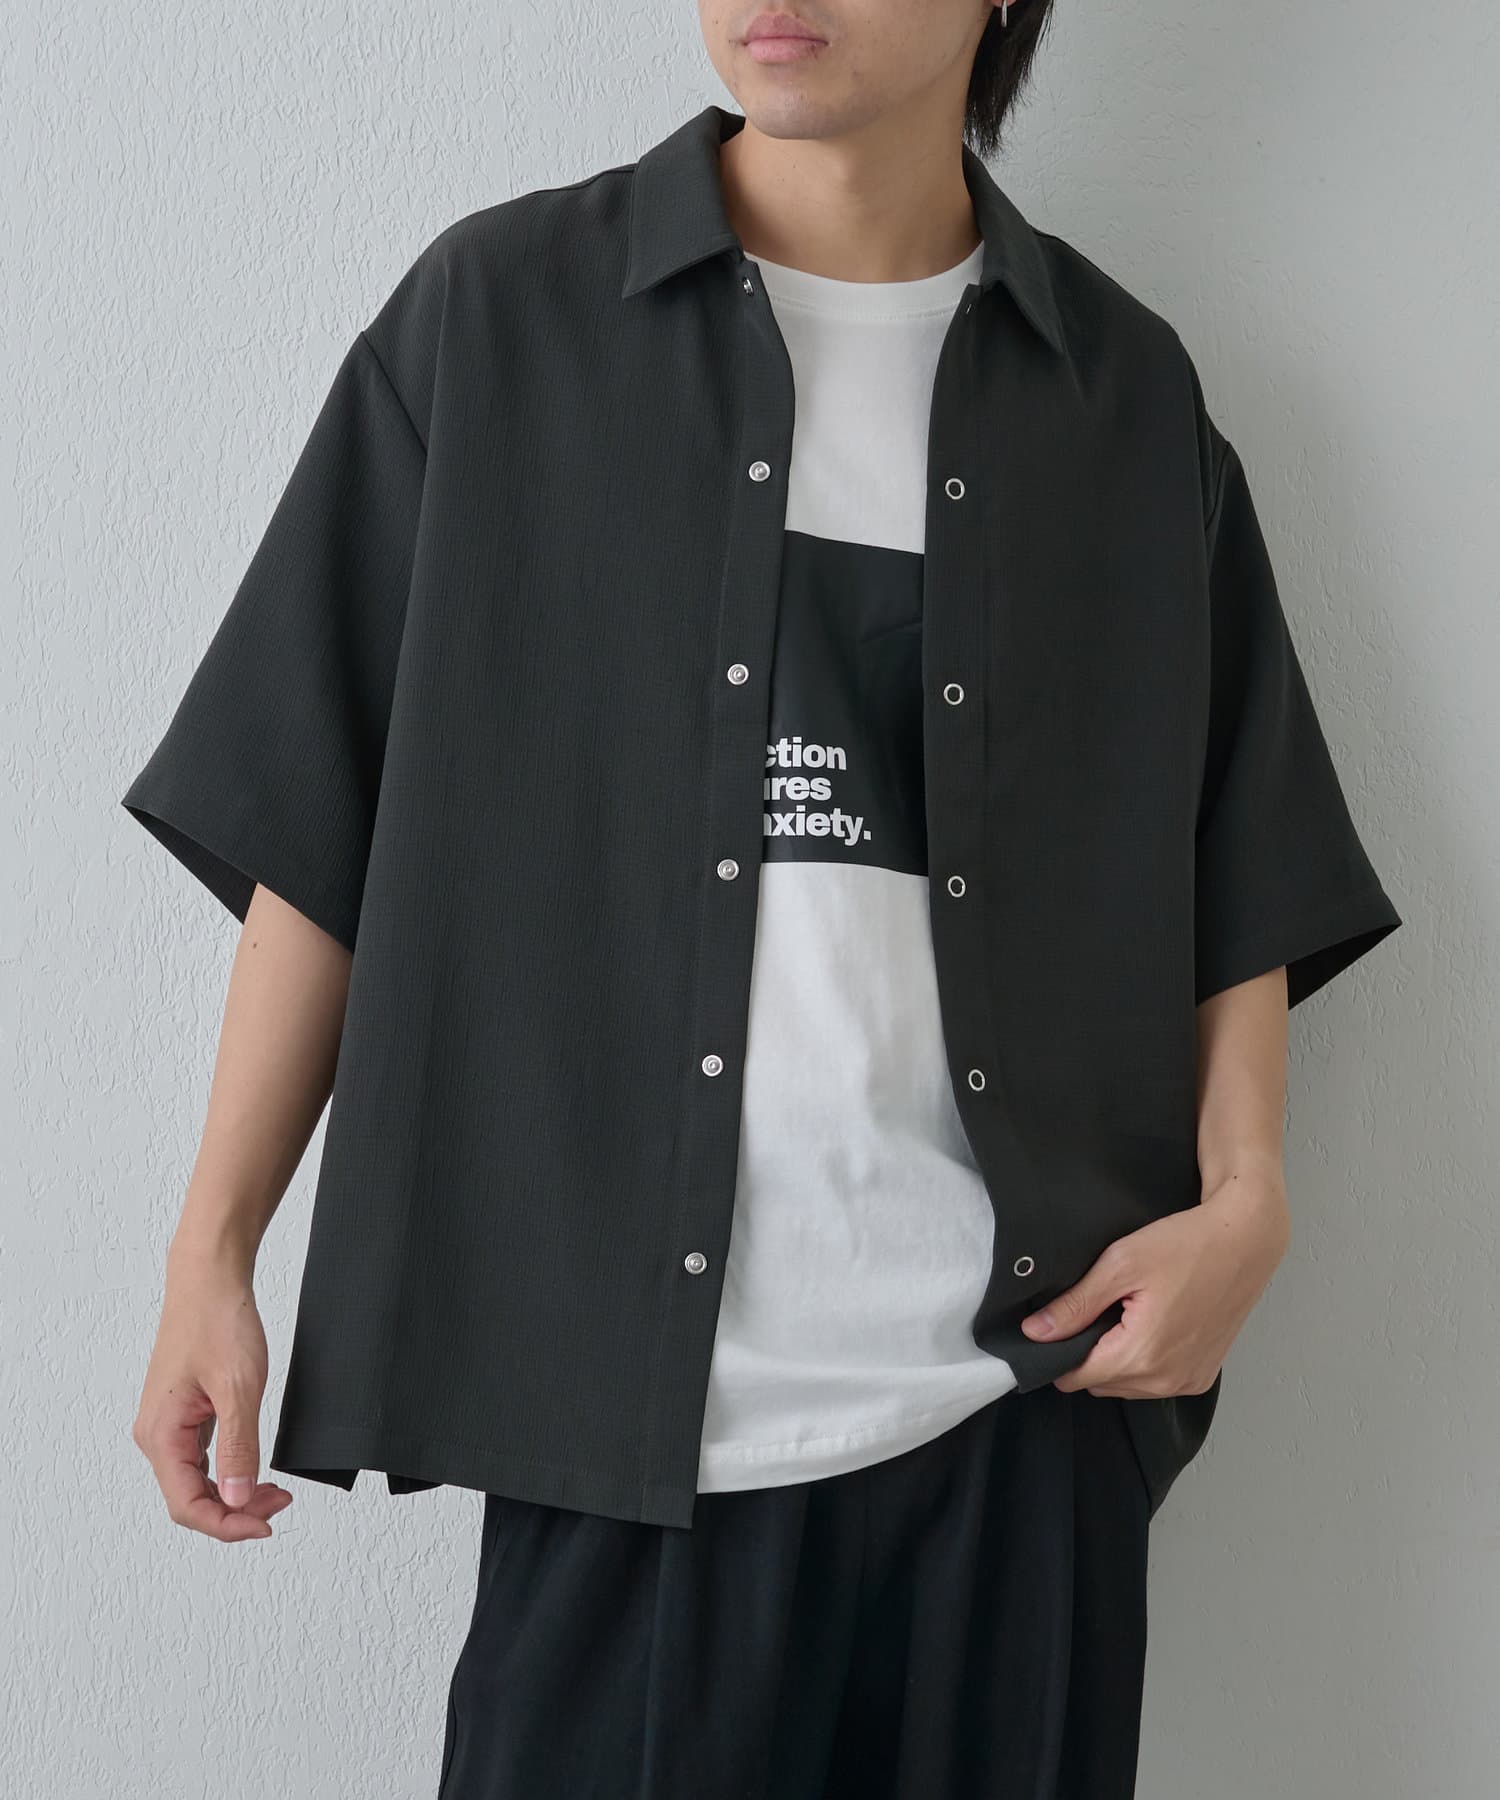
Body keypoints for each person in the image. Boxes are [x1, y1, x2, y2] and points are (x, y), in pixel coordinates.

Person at [123, 4, 1404, 1796]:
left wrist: (1251, 1201)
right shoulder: (502, 321)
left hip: (1022, 1426)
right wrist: (212, 1252)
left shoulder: (1121, 392)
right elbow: (318, 822)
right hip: (623, 1435)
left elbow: (1232, 848)